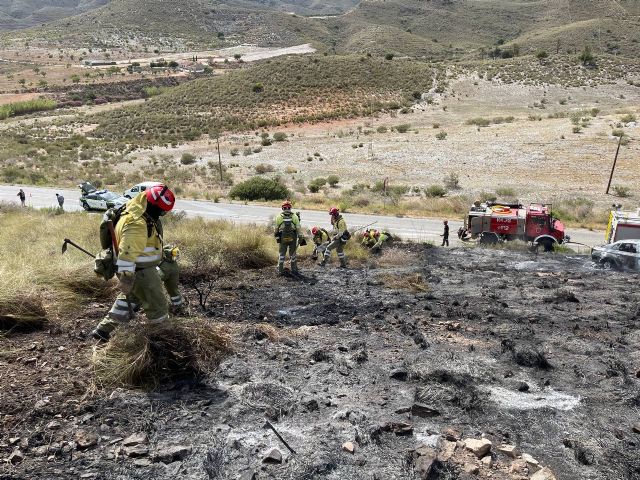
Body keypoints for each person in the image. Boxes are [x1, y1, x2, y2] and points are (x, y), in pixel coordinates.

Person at [91, 184, 175, 342]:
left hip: (136, 271)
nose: (162, 214)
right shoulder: (137, 223)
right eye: (161, 211)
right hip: (141, 272)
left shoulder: (134, 207)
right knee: (158, 308)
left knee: (129, 299)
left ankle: (103, 330)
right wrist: (127, 278)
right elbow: (127, 253)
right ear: (152, 205)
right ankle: (162, 340)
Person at [274, 200, 301, 275]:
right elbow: (298, 228)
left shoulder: (279, 217)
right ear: (290, 208)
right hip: (293, 237)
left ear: (282, 208)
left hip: (283, 237)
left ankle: (280, 269)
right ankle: (294, 269)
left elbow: (276, 229)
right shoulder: (294, 216)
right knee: (293, 254)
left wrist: (277, 236)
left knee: (282, 253)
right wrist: (300, 236)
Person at [158, 244, 184, 314]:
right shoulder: (174, 262)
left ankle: (159, 308)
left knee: (153, 288)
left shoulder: (163, 260)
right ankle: (178, 307)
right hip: (174, 270)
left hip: (163, 271)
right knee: (174, 290)